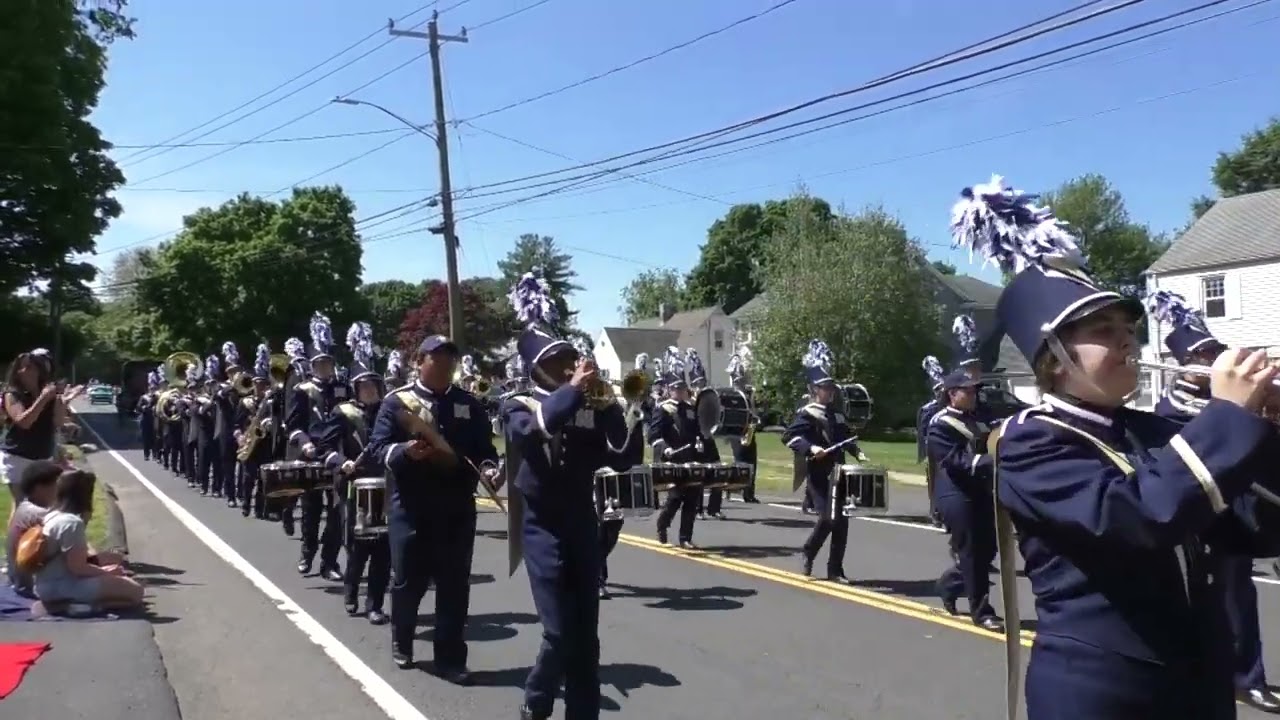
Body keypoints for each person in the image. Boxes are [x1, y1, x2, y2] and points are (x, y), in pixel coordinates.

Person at [953, 175, 1280, 719]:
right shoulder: (1030, 441)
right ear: (1054, 358)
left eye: (1128, 327)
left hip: (1196, 682)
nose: (1127, 339)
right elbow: (1142, 517)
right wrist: (1228, 416)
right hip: (1102, 692)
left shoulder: (1151, 431)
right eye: (1102, 329)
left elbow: (1252, 529)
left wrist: (1267, 427)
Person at [499, 272, 627, 720]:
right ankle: (536, 702)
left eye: (570, 357)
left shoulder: (587, 402)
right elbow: (539, 430)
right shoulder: (517, 403)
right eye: (558, 360)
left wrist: (616, 410)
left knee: (586, 635)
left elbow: (622, 456)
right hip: (541, 525)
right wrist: (573, 390)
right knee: (558, 632)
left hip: (580, 520)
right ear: (537, 367)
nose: (569, 365)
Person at [1148, 290, 1280, 712]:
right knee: (1212, 604)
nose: (1212, 362)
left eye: (1213, 352)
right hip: (1202, 515)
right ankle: (1219, 675)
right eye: (1202, 356)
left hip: (1247, 510)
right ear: (1182, 365)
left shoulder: (1233, 402)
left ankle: (1248, 675)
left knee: (1242, 601)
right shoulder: (1167, 410)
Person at [368, 333, 499, 679]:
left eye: (450, 359)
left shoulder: (469, 404)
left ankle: (451, 659)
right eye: (436, 357)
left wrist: (490, 467)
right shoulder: (397, 403)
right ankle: (403, 641)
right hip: (411, 506)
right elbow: (377, 448)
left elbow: (485, 448)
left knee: (455, 586)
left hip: (456, 508)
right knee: (408, 582)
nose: (444, 364)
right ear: (419, 362)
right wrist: (404, 451)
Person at [782, 339, 865, 584]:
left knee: (842, 523)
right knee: (829, 518)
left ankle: (835, 569)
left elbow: (846, 438)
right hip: (819, 474)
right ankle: (809, 550)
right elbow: (789, 437)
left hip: (840, 472)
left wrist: (857, 452)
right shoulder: (807, 414)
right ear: (814, 389)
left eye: (831, 388)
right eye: (825, 388)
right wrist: (811, 448)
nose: (830, 392)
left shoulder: (837, 414)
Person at [927, 369, 1002, 631]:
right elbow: (955, 461)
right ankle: (982, 613)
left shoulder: (980, 417)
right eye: (968, 391)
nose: (974, 395)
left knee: (989, 550)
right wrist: (994, 461)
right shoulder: (940, 425)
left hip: (981, 491)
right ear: (952, 394)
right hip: (955, 494)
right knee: (972, 552)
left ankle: (949, 585)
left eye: (975, 391)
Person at [334, 323, 390, 625]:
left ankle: (375, 604)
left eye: (374, 387)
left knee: (383, 550)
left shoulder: (389, 413)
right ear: (356, 390)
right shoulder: (342, 413)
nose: (370, 391)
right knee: (358, 547)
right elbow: (327, 445)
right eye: (364, 387)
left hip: (384, 485)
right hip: (354, 485)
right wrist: (341, 462)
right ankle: (351, 591)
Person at [285, 315, 345, 579]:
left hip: (336, 455)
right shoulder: (302, 389)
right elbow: (293, 424)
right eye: (319, 363)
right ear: (312, 365)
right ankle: (307, 551)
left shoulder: (343, 388)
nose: (324, 367)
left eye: (327, 363)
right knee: (311, 509)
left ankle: (329, 562)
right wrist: (306, 443)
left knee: (337, 512)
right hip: (310, 453)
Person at [33, 469, 144, 610]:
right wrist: (106, 573)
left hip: (47, 582)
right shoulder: (72, 523)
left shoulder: (53, 515)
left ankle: (78, 603)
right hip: (61, 585)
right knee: (136, 591)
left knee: (117, 567)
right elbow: (78, 568)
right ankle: (78, 606)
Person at [650, 346, 714, 548]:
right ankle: (662, 524)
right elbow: (653, 435)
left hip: (691, 457)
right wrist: (665, 448)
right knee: (676, 497)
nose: (680, 392)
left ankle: (685, 538)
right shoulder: (663, 410)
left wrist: (702, 441)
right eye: (676, 389)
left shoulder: (690, 409)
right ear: (669, 390)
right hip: (673, 458)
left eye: (682, 388)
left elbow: (697, 430)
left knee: (693, 498)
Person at [597, 352, 649, 599]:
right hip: (601, 476)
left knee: (614, 528)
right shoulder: (608, 411)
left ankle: (592, 566)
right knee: (600, 527)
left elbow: (636, 445)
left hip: (624, 474)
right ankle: (598, 578)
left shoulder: (634, 413)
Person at [3, 350, 67, 510]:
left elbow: (58, 422)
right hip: (17, 458)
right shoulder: (12, 394)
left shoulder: (48, 393)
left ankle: (28, 535)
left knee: (44, 506)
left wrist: (60, 399)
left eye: (29, 367)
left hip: (42, 458)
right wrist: (43, 398)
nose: (22, 371)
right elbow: (24, 422)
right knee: (23, 507)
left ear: (40, 371)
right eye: (20, 367)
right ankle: (17, 535)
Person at [236, 344, 275, 519]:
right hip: (250, 442)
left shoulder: (271, 402)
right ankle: (246, 504)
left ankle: (260, 508)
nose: (260, 387)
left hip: (265, 443)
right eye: (257, 384)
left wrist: (271, 423)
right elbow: (236, 424)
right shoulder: (245, 402)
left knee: (263, 478)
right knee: (248, 477)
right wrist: (239, 437)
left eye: (263, 384)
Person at [686, 349, 725, 520]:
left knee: (718, 471)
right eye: (697, 382)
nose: (700, 385)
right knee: (699, 475)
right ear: (692, 385)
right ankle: (697, 509)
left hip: (708, 439)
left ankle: (714, 508)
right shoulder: (688, 404)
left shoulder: (707, 398)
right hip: (695, 441)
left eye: (702, 381)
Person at [725, 352, 760, 504]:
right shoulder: (730, 394)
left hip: (749, 430)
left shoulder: (747, 393)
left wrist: (755, 417)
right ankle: (732, 489)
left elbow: (752, 411)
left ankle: (749, 493)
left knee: (752, 461)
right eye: (737, 377)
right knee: (740, 462)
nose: (740, 379)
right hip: (736, 432)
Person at [917, 356, 946, 527]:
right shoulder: (929, 410)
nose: (941, 393)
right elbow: (923, 433)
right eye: (938, 390)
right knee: (935, 482)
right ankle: (936, 512)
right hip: (933, 451)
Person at [137, 370, 161, 462]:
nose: (152, 389)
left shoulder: (158, 397)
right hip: (146, 420)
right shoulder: (144, 397)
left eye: (154, 388)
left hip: (155, 419)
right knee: (146, 438)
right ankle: (146, 454)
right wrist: (145, 407)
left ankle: (156, 454)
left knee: (155, 438)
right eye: (151, 388)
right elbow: (138, 408)